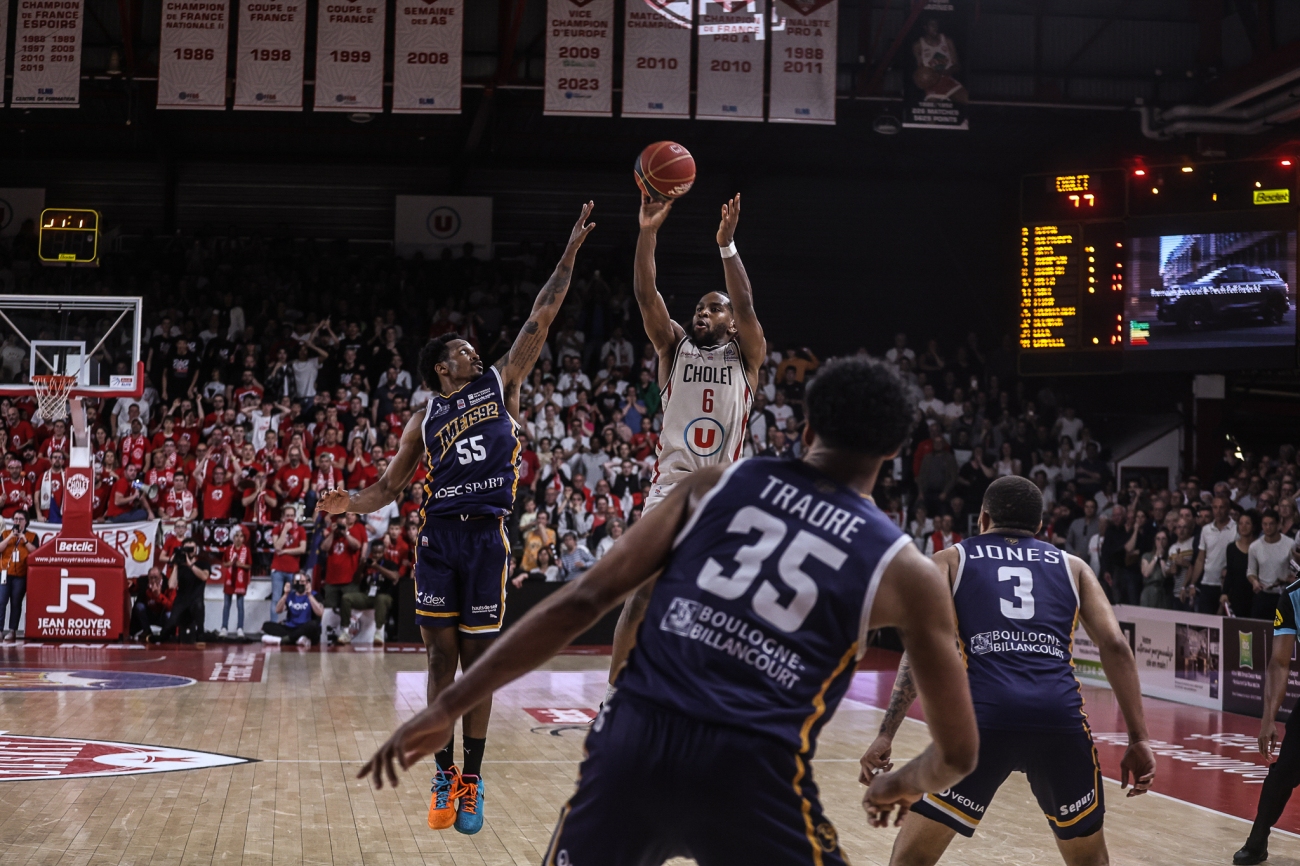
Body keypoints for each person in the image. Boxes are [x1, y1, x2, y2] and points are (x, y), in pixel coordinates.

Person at [358, 357, 979, 866]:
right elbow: (957, 754)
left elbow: (581, 601)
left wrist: (446, 704)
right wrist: (895, 784)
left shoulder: (714, 487)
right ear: (898, 451)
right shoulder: (909, 573)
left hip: (633, 746)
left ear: (807, 428)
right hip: (753, 776)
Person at [319, 203, 596, 836]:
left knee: (481, 663)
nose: (477, 353)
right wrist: (350, 503)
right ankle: (445, 773)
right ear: (445, 366)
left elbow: (541, 317)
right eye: (466, 351)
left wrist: (569, 256)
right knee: (440, 661)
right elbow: (390, 487)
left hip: (487, 537)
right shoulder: (423, 418)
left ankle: (473, 777)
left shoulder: (500, 385)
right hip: (440, 538)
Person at [862, 475, 1155, 866]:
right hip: (1059, 720)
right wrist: (1139, 738)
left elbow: (923, 648)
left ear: (982, 518)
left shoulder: (951, 559)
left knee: (910, 859)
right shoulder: (1073, 566)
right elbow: (1116, 646)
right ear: (1039, 526)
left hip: (985, 721)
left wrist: (886, 734)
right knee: (1088, 859)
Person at [606, 192, 766, 707]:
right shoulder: (674, 347)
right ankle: (614, 696)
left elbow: (745, 303)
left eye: (713, 308)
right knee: (642, 592)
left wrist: (727, 247)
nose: (704, 312)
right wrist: (648, 232)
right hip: (672, 487)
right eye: (699, 307)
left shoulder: (747, 355)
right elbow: (645, 292)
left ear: (732, 323)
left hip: (723, 494)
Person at [1236, 540, 1300, 865]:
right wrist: (1267, 718)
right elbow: (1279, 662)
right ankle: (1257, 841)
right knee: (1283, 773)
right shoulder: (1292, 596)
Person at [1188, 495, 1235, 614]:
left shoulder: (1237, 529)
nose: (1218, 511)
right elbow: (1200, 558)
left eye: (1221, 507)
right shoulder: (1206, 530)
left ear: (1228, 508)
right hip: (1207, 583)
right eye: (1215, 507)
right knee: (1205, 622)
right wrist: (1193, 583)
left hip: (1227, 585)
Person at [0, 512, 38, 641]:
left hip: (20, 575)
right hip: (5, 573)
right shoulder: (5, 534)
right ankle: (0, 630)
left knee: (16, 603)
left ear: (26, 521)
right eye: (15, 519)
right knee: (1, 601)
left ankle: (12, 630)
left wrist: (23, 538)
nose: (17, 521)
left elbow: (35, 551)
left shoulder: (32, 536)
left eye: (20, 519)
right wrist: (11, 535)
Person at [1249, 509, 1292, 620]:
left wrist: (1290, 579)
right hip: (1263, 595)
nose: (1268, 527)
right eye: (1265, 524)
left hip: (1283, 595)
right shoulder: (1255, 546)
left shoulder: (1290, 544)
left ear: (1278, 524)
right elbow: (1251, 571)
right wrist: (1254, 582)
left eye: (1271, 524)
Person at [268, 505, 308, 623]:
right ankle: (273, 625)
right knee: (276, 599)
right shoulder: (277, 529)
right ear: (282, 517)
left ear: (295, 517)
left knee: (292, 598)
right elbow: (277, 546)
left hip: (293, 570)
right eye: (287, 516)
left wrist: (285, 551)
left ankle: (291, 622)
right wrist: (285, 530)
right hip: (278, 570)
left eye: (291, 516)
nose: (289, 518)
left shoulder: (301, 530)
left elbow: (302, 549)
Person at [262, 574, 325, 647]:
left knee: (313, 625)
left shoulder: (315, 595)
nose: (299, 584)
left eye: (302, 582)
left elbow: (320, 613)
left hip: (306, 627)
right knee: (266, 625)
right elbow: (278, 610)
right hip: (291, 628)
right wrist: (285, 594)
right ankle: (298, 639)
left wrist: (309, 595)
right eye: (297, 582)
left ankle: (284, 640)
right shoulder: (290, 595)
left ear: (307, 583)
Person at [1225, 510, 1260, 618]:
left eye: (1247, 523)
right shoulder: (1231, 548)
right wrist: (1224, 593)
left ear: (1254, 526)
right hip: (1237, 596)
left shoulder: (1260, 546)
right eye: (1240, 523)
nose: (1243, 526)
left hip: (1256, 596)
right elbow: (1229, 573)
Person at [220, 526, 251, 638]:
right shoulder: (228, 549)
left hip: (240, 581)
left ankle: (240, 628)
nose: (238, 538)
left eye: (241, 536)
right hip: (229, 580)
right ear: (233, 537)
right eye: (236, 535)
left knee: (240, 605)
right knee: (227, 605)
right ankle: (224, 627)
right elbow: (224, 563)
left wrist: (240, 565)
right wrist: (230, 563)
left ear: (244, 538)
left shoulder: (246, 550)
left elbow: (249, 565)